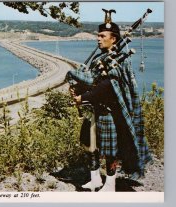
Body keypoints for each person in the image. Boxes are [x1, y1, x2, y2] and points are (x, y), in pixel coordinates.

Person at [67, 9, 151, 192]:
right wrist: (79, 86)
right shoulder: (100, 57)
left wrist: (83, 97)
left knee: (110, 150)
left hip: (108, 112)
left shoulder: (119, 60)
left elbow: (106, 87)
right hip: (94, 110)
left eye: (102, 36)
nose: (98, 39)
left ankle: (110, 185)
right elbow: (93, 80)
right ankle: (95, 179)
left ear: (114, 39)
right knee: (91, 146)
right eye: (98, 35)